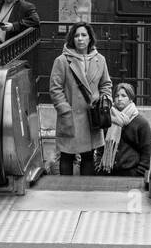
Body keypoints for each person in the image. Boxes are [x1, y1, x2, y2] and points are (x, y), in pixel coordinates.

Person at [48, 21, 113, 176]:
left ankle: (86, 192)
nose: (80, 39)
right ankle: (66, 191)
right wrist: (64, 110)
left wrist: (105, 100)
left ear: (90, 38)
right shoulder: (62, 61)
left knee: (89, 155)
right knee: (67, 155)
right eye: (76, 35)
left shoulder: (100, 60)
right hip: (70, 115)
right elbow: (55, 89)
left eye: (84, 35)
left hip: (92, 116)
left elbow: (106, 84)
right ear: (72, 39)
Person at [99, 82, 151, 179]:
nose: (119, 99)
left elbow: (146, 151)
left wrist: (139, 173)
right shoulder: (107, 120)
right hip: (107, 173)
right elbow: (100, 146)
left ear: (131, 98)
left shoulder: (141, 123)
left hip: (131, 174)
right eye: (116, 96)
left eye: (124, 96)